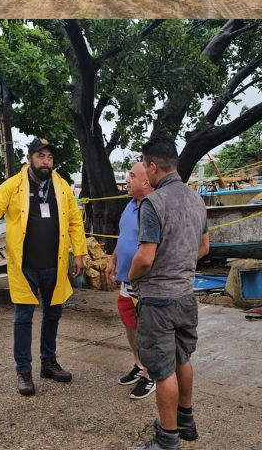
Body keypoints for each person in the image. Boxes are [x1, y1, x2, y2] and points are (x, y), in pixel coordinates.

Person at [0, 137, 86, 397]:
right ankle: (23, 371)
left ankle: (48, 363)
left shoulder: (61, 186)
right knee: (23, 319)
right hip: (25, 265)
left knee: (52, 315)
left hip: (54, 265)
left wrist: (80, 253)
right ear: (29, 159)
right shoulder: (13, 185)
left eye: (49, 157)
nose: (46, 161)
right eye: (40, 157)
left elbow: (74, 221)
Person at [126, 135, 209, 450]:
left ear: (151, 167)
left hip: (158, 300)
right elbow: (204, 247)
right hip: (186, 296)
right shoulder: (196, 199)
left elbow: (146, 257)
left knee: (162, 371)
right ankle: (186, 421)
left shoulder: (153, 203)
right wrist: (180, 263)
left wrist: (131, 276)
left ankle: (167, 440)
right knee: (182, 359)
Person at [106, 165, 157, 401]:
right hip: (126, 281)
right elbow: (124, 237)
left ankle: (151, 374)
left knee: (146, 328)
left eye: (132, 176)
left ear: (146, 182)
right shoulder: (129, 205)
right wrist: (113, 259)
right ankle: (139, 364)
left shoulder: (153, 208)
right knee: (129, 323)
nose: (127, 180)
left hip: (143, 282)